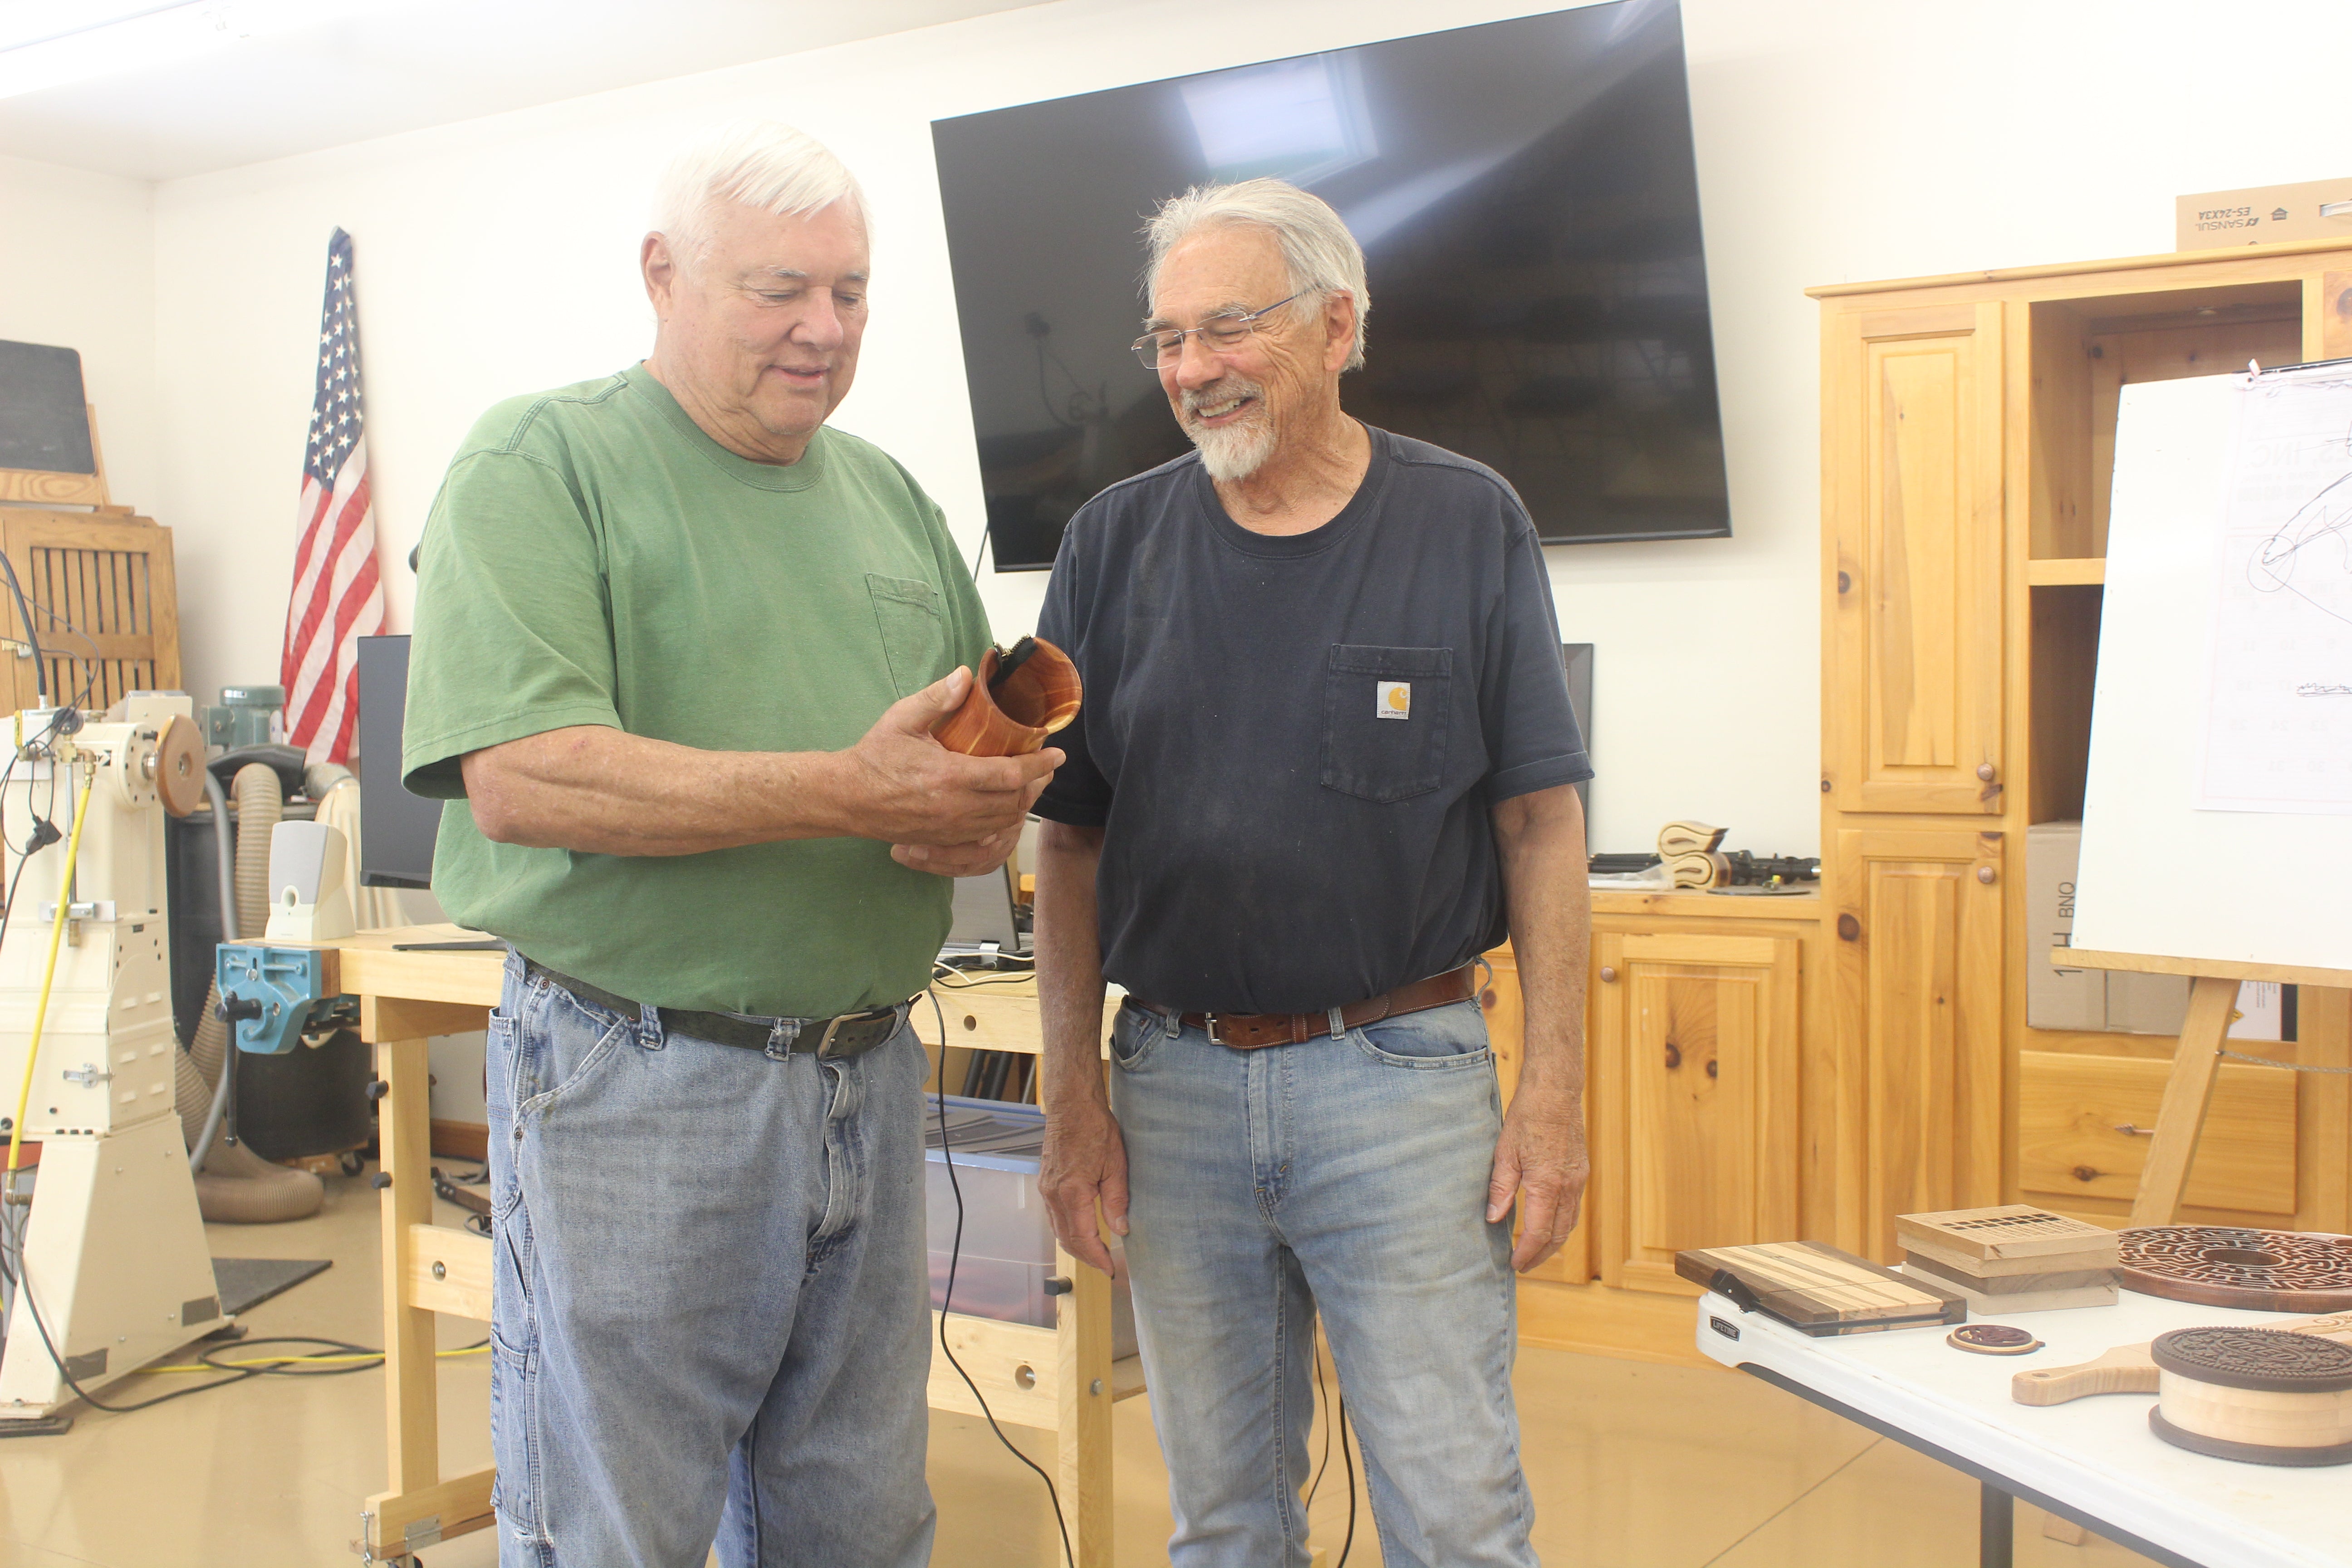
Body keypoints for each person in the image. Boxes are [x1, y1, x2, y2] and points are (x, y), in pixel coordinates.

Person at [402, 122, 1058, 1568]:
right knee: (615, 1529)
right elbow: (526, 778)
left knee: (859, 1521)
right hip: (636, 1082)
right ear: (662, 275)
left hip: (868, 1078)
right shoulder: (541, 461)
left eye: (852, 293)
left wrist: (968, 808)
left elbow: (930, 778)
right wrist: (854, 791)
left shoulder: (885, 495)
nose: (824, 331)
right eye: (781, 290)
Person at [1029, 177, 1593, 1568]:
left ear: (1338, 326)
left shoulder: (1466, 522)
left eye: (1229, 327)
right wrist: (1071, 1098)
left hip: (1399, 1084)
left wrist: (1556, 1093)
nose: (1190, 370)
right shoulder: (1109, 545)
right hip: (1171, 1087)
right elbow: (1069, 840)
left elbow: (1542, 822)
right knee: (1223, 1520)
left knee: (1457, 1514)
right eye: (1166, 338)